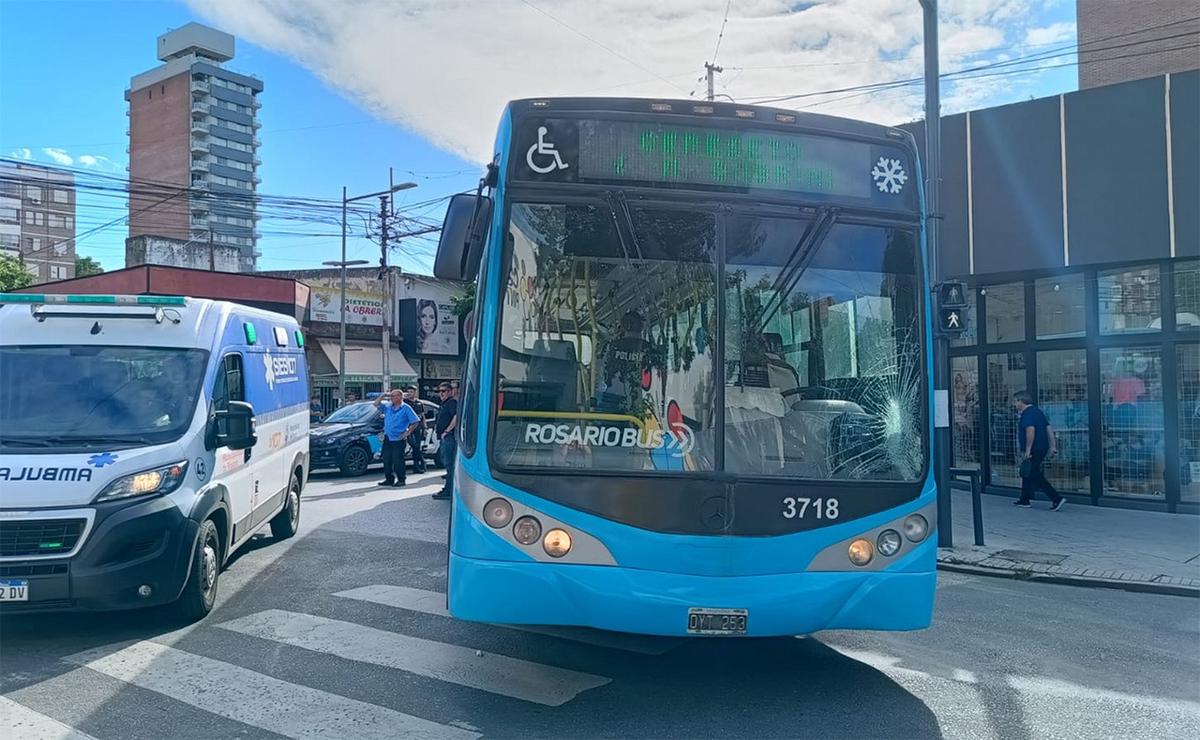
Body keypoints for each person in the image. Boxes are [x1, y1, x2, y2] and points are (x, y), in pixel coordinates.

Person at [1012, 390, 1065, 510]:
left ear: (1021, 401)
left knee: (1034, 474)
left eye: (1015, 402)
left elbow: (1030, 431)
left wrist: (1028, 450)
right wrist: (1052, 446)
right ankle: (1024, 499)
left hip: (1034, 449)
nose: (1014, 405)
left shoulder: (1027, 414)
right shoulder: (1038, 412)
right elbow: (1049, 429)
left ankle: (1056, 498)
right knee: (1028, 472)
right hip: (1042, 447)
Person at [373, 389, 420, 487]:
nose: (392, 398)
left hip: (398, 438)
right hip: (388, 437)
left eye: (394, 396)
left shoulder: (406, 408)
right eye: (391, 396)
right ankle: (389, 479)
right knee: (386, 459)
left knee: (398, 460)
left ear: (400, 397)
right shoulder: (388, 407)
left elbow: (415, 421)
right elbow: (376, 404)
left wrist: (408, 432)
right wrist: (383, 395)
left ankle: (401, 479)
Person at [431, 382, 458, 500]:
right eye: (439, 391)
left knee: (449, 465)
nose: (440, 393)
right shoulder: (444, 403)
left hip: (449, 437)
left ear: (450, 392)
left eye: (443, 391)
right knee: (447, 465)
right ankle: (448, 489)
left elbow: (456, 416)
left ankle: (449, 490)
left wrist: (447, 431)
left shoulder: (451, 402)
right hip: (445, 437)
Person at [404, 385, 426, 474]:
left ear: (415, 392)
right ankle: (422, 461)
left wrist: (425, 426)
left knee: (417, 446)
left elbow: (422, 415)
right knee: (415, 446)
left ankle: (416, 466)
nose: (410, 393)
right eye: (408, 392)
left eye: (411, 392)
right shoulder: (405, 403)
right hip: (408, 427)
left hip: (418, 427)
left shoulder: (419, 403)